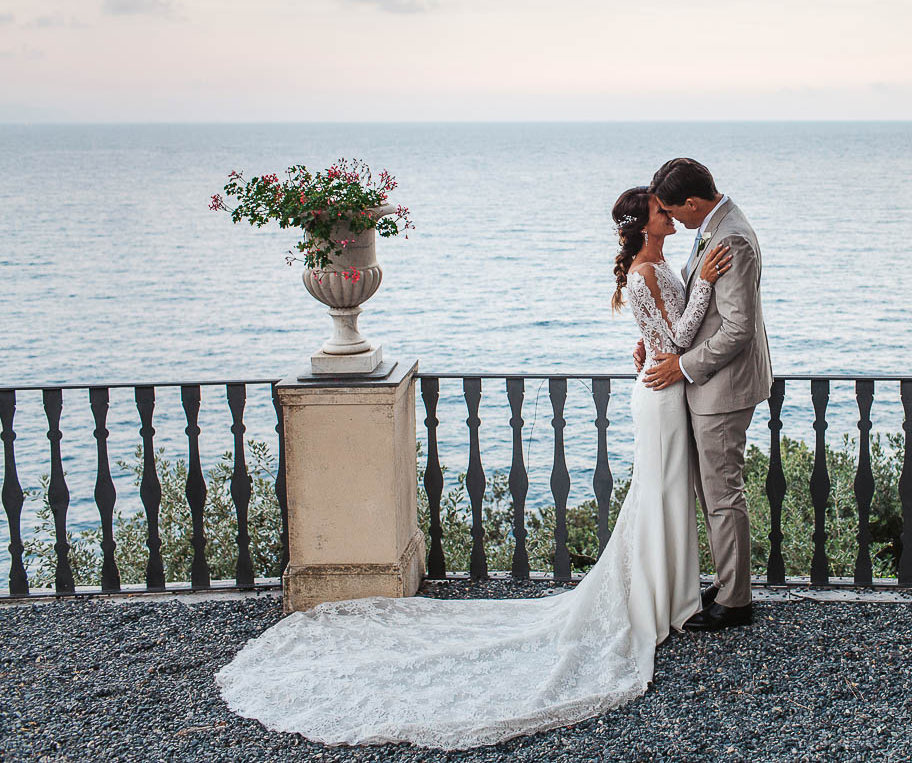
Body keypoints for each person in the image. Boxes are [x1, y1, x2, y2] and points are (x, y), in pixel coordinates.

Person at [214, 186, 732, 751]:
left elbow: (663, 335)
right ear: (645, 223)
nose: (671, 215)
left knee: (662, 493)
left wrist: (658, 333)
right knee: (657, 493)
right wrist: (704, 281)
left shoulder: (655, 266)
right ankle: (658, 600)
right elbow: (680, 337)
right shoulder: (646, 272)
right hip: (661, 396)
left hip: (664, 388)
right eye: (662, 211)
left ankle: (671, 593)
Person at [638, 157, 772, 632]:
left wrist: (682, 365)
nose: (673, 220)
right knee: (712, 490)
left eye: (675, 212)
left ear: (693, 202)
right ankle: (728, 580)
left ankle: (736, 601)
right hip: (712, 385)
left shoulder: (730, 236)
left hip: (723, 389)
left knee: (721, 494)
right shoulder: (715, 226)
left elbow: (736, 329)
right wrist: (657, 342)